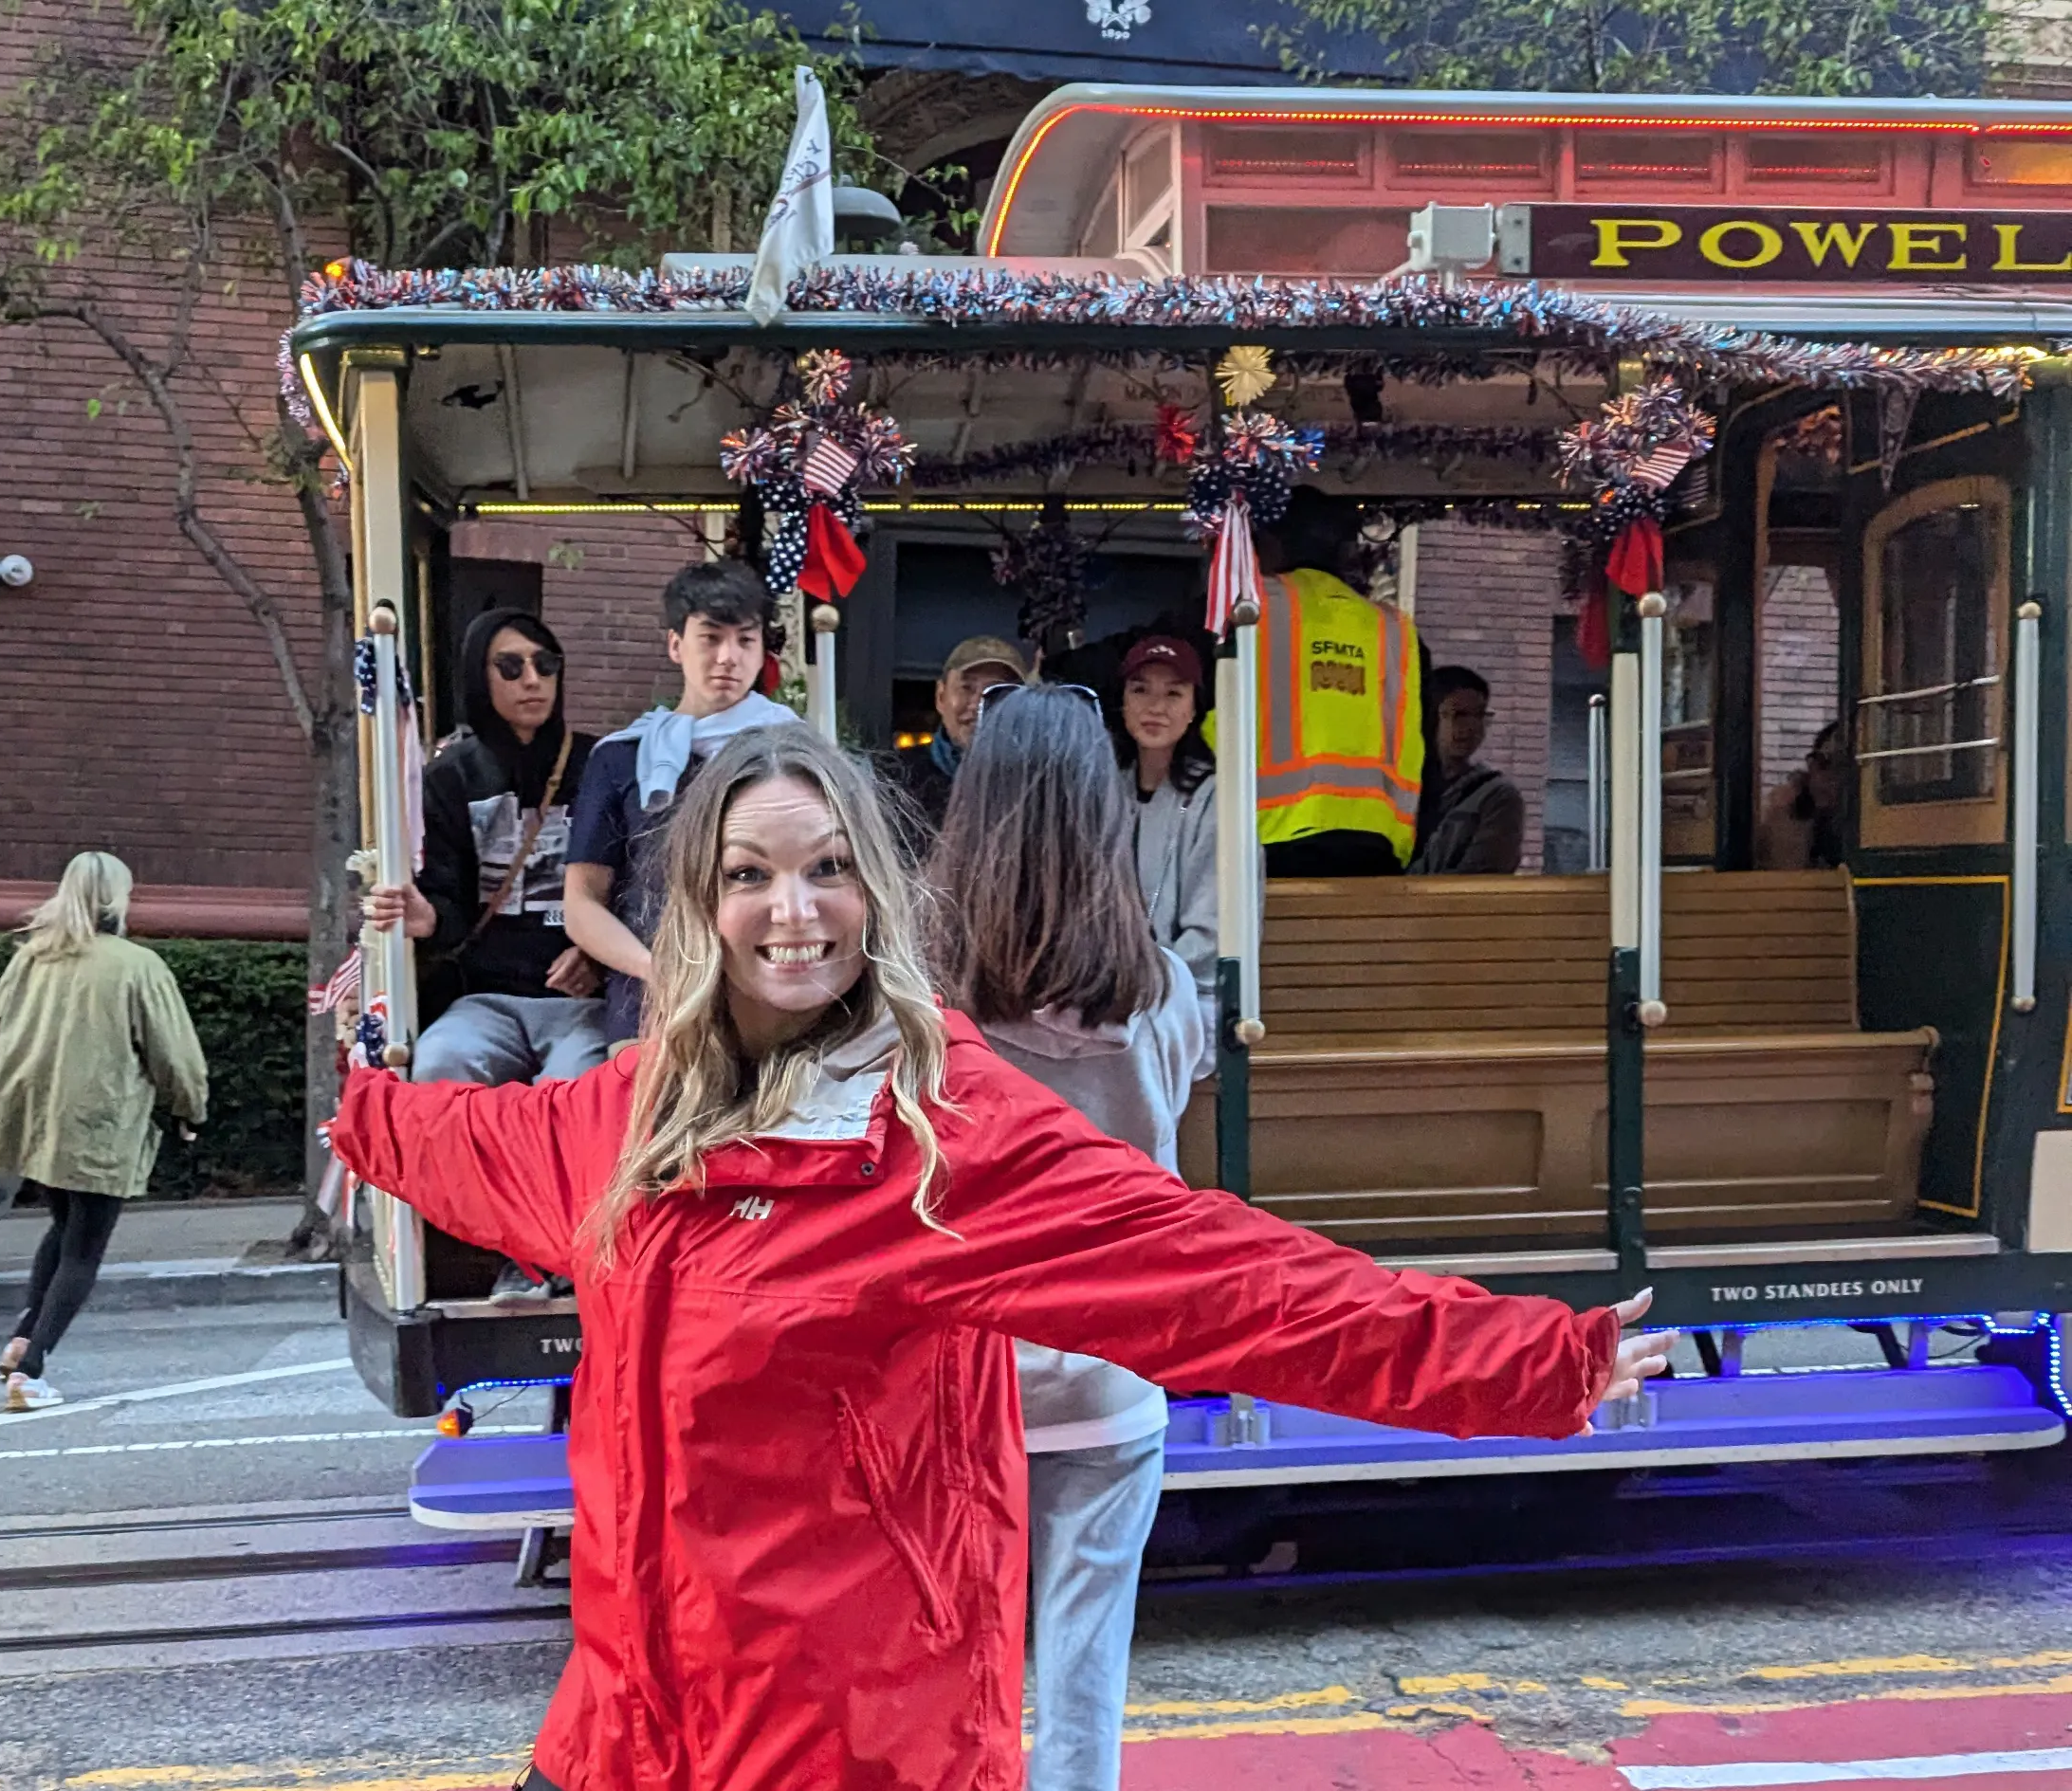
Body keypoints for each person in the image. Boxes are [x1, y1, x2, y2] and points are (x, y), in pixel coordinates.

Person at [327, 724, 1676, 1791]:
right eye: (750, 873)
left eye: (827, 868)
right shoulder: (625, 1120)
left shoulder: (939, 1136)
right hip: (627, 1725)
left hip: (849, 1743)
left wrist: (1535, 1359)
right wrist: (362, 1098)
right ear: (701, 902)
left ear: (877, 890)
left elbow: (1227, 1279)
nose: (792, 911)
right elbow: (460, 1141)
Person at [928, 685, 1210, 1791]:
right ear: (1104, 815)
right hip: (1110, 1372)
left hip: (962, 1379)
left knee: (960, 1666)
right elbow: (1173, 1114)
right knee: (1086, 1677)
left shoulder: (921, 996)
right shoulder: (1163, 989)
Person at [364, 608, 603, 1304]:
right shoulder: (451, 778)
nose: (533, 680)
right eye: (511, 666)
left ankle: (561, 1251)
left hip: (581, 1001)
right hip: (488, 996)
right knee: (440, 1069)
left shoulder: (601, 762)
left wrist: (603, 955)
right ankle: (510, 1248)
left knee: (579, 1095)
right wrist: (425, 915)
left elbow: (640, 883)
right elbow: (449, 900)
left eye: (545, 663)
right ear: (479, 675)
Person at [0, 852, 207, 1412]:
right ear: (119, 896)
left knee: (62, 1229)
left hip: (34, 1116)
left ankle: (22, 1341)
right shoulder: (137, 966)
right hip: (98, 1120)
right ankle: (33, 1369)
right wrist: (191, 1108)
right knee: (84, 1248)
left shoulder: (33, 958)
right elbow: (174, 1056)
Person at [563, 559, 798, 1050]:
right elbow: (582, 902)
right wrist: (655, 969)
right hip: (651, 1007)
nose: (728, 657)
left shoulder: (798, 753)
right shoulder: (620, 759)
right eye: (711, 638)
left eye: (745, 640)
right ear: (676, 644)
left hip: (773, 1002)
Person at [1212, 484, 1427, 877]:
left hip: (1263, 843)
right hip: (1375, 848)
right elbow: (1425, 749)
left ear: (1272, 543)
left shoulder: (1247, 608)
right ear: (1347, 552)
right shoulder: (1394, 630)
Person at [1115, 634, 1218, 1000]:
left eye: (1174, 694)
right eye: (1140, 690)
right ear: (1123, 703)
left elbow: (1212, 936)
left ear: (1194, 708)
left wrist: (1143, 984)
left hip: (1190, 999)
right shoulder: (1105, 792)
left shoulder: (1215, 798)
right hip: (1109, 998)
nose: (1155, 707)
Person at [894, 633, 1030, 835]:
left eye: (996, 692)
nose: (977, 704)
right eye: (967, 688)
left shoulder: (1034, 784)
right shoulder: (895, 779)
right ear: (941, 696)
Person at [1410, 667, 1527, 875]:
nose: (1472, 726)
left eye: (1480, 715)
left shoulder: (1496, 796)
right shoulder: (1401, 788)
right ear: (1431, 717)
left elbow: (1483, 878)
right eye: (1459, 714)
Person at [1757, 722, 1852, 870]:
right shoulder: (1783, 809)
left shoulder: (1856, 824)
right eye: (1821, 764)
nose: (1829, 780)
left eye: (1839, 769)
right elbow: (1788, 877)